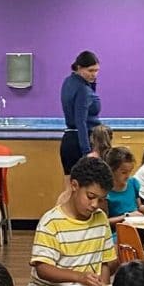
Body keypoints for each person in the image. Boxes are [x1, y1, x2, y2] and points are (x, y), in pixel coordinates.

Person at [27, 157, 116, 286]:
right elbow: (43, 268)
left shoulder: (101, 219)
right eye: (90, 197)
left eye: (101, 200)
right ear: (74, 185)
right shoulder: (51, 222)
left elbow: (104, 263)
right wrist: (78, 277)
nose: (95, 205)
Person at [59, 51, 101, 188]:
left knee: (69, 189)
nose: (94, 74)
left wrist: (92, 84)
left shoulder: (68, 82)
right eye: (90, 70)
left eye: (96, 70)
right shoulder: (83, 89)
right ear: (79, 68)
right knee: (85, 190)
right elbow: (81, 121)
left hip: (68, 140)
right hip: (81, 140)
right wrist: (87, 152)